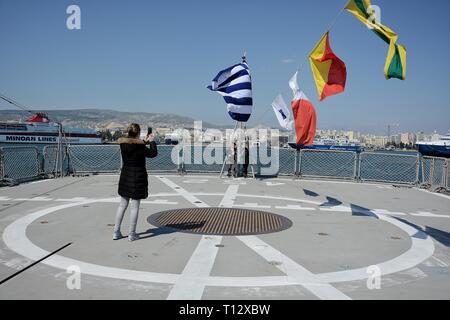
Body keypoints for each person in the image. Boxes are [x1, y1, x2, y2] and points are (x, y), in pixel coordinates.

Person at [113, 123, 157, 241]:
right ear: (138, 133)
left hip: (125, 176)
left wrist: (145, 141)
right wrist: (152, 141)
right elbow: (153, 154)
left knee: (122, 205)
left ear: (128, 132)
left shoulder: (123, 144)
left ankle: (116, 232)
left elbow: (133, 143)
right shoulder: (140, 147)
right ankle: (132, 234)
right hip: (137, 177)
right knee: (135, 207)